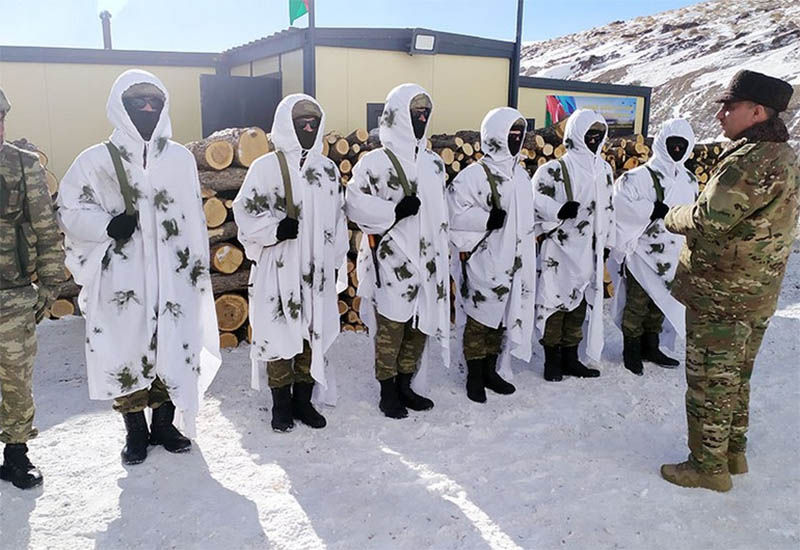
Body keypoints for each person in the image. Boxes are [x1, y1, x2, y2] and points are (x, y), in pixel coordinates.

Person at [57, 70, 221, 466]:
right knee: (125, 347)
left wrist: (193, 277)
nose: (147, 110)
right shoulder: (95, 161)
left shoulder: (180, 159)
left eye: (155, 103)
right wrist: (105, 226)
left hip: (174, 278)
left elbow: (194, 223)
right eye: (138, 103)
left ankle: (164, 423)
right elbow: (70, 209)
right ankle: (135, 430)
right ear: (120, 107)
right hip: (121, 278)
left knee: (172, 342)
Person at [660, 70, 799, 492]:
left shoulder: (749, 161)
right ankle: (732, 452)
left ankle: (708, 467)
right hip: (756, 291)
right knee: (736, 377)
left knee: (709, 383)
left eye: (730, 107)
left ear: (757, 112)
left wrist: (672, 215)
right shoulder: (785, 156)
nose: (720, 114)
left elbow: (709, 218)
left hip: (723, 294)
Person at [233, 94, 348, 432]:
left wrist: (335, 261)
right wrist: (273, 230)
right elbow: (245, 213)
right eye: (301, 124)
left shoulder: (328, 171)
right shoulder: (265, 167)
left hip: (317, 270)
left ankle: (303, 401)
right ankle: (281, 405)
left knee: (312, 334)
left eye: (314, 123)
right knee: (279, 336)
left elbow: (338, 221)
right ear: (287, 125)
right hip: (279, 266)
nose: (308, 129)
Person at [346, 83, 450, 419]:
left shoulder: (435, 164)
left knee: (419, 326)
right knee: (391, 328)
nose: (421, 117)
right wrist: (392, 212)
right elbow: (354, 203)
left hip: (429, 259)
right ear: (398, 115)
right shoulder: (374, 162)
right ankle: (387, 390)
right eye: (415, 112)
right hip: (392, 259)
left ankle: (407, 385)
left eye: (426, 112)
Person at [0, 87, 65, 489]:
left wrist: (50, 286)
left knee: (15, 378)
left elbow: (46, 227)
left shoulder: (22, 165)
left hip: (12, 294)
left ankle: (17, 454)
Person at [447, 108, 536, 402]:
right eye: (508, 134)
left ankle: (490, 371)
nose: (514, 140)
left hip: (515, 261)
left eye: (518, 135)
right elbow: (453, 213)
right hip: (485, 258)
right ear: (494, 136)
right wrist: (485, 220)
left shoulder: (521, 176)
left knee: (501, 318)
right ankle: (474, 375)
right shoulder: (472, 176)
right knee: (479, 318)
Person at [608, 118, 698, 375]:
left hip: (674, 253)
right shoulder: (636, 177)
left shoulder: (690, 180)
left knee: (661, 302)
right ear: (662, 143)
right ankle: (631, 350)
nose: (677, 149)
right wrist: (650, 210)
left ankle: (652, 346)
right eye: (673, 143)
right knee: (637, 303)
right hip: (642, 253)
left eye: (683, 145)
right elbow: (621, 206)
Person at [531, 109, 616, 382]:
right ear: (576, 134)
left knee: (580, 303)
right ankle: (551, 361)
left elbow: (609, 207)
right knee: (556, 301)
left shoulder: (604, 169)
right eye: (589, 134)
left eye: (599, 135)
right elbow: (535, 201)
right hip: (560, 249)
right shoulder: (554, 169)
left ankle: (571, 358)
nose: (594, 140)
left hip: (590, 251)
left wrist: (607, 241)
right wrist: (558, 211)